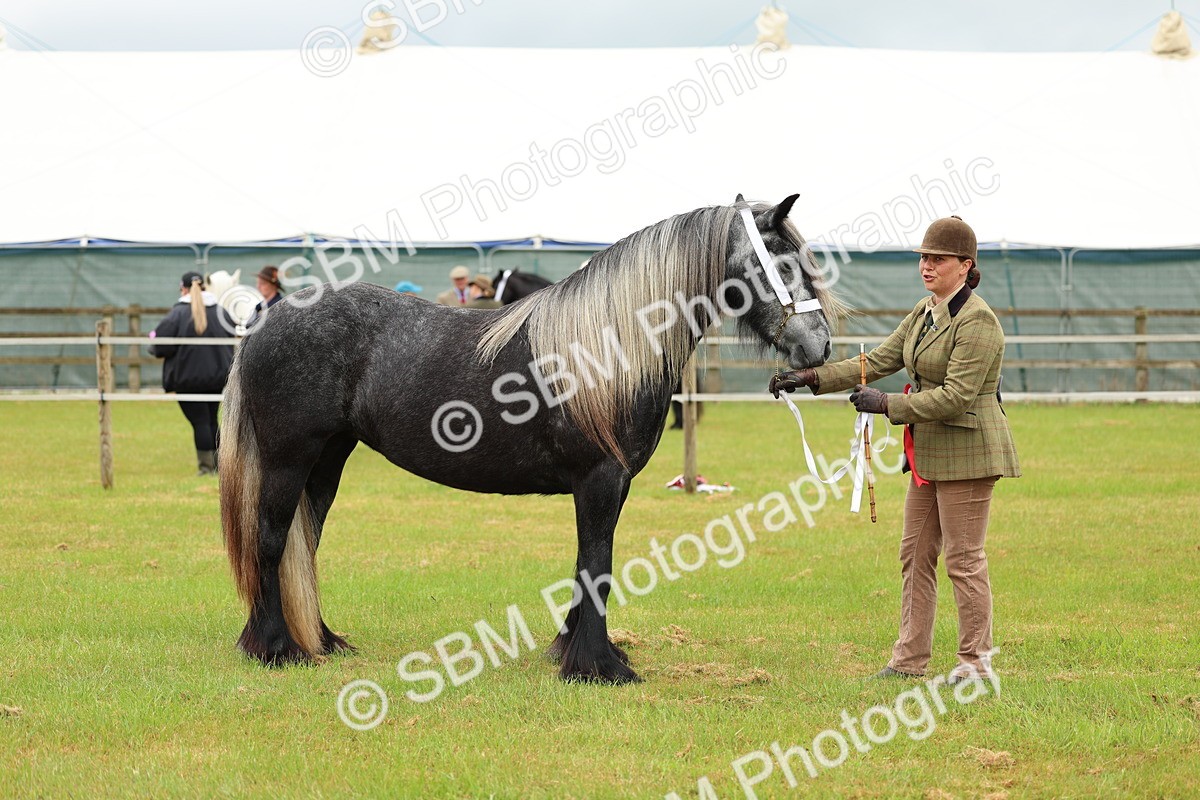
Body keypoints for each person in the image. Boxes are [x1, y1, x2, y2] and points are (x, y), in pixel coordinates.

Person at [770, 216, 1020, 684]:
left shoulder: (978, 321)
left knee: (964, 561)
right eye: (924, 258)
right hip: (930, 453)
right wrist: (809, 378)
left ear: (965, 266)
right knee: (915, 553)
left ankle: (976, 666)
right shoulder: (924, 312)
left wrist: (887, 404)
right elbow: (878, 360)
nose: (927, 266)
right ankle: (908, 661)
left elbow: (956, 397)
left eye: (937, 259)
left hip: (969, 451)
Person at [149, 272, 235, 475]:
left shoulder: (177, 313)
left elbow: (160, 346)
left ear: (184, 289)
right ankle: (219, 466)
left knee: (200, 422)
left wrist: (152, 337)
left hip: (187, 379)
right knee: (211, 419)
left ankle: (206, 467)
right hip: (217, 377)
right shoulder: (220, 311)